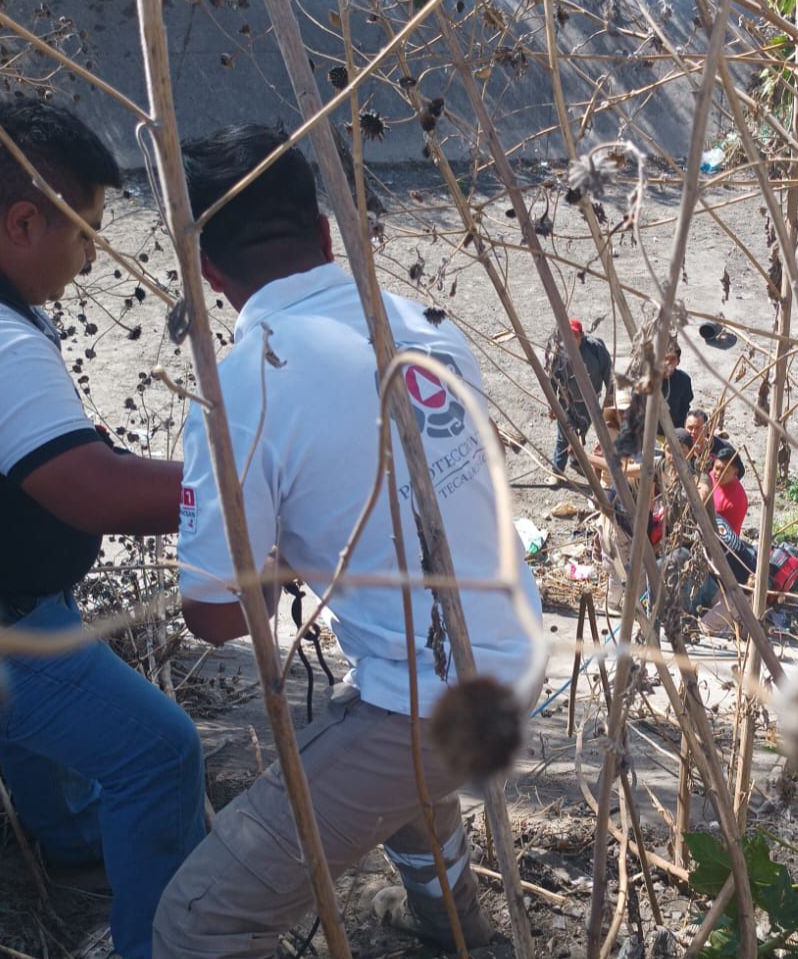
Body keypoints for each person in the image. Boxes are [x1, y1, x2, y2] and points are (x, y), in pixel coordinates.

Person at [152, 125, 543, 958]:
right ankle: (458, 934)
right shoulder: (426, 323)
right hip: (515, 652)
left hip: (429, 696)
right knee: (395, 764)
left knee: (195, 921)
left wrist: (271, 548)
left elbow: (218, 615)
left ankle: (457, 928)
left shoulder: (240, 389)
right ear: (325, 233)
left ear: (209, 273)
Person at [0, 100, 204, 959]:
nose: (91, 258)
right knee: (159, 751)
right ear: (21, 220)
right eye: (85, 234)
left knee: (36, 729)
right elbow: (96, 493)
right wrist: (236, 496)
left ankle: (72, 839)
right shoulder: (1, 340)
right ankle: (163, 944)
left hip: (18, 595)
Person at [548, 318, 613, 484]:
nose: (571, 339)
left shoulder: (595, 348)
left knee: (581, 432)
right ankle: (557, 472)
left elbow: (609, 374)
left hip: (589, 402)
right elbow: (551, 379)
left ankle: (577, 460)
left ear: (581, 336)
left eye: (574, 335)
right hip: (565, 400)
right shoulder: (558, 351)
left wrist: (609, 398)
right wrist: (552, 405)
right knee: (565, 434)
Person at [710, 445, 748, 534]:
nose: (718, 474)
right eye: (717, 468)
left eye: (724, 471)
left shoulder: (737, 501)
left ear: (735, 472)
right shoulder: (710, 476)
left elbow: (728, 535)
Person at [661, 343, 694, 428]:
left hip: (673, 429)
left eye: (672, 359)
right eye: (665, 358)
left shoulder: (684, 380)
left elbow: (685, 405)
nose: (668, 362)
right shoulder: (647, 378)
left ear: (678, 362)